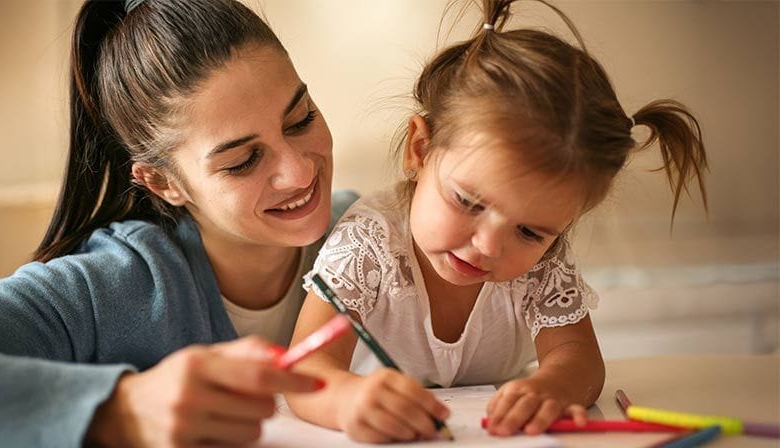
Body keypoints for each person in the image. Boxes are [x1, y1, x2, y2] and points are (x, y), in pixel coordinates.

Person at [0, 0, 359, 446]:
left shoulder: (374, 232)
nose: (299, 171)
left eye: (300, 119)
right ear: (161, 182)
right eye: (242, 161)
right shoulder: (104, 289)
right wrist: (120, 409)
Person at [284, 0, 708, 443]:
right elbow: (304, 369)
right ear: (420, 151)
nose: (488, 245)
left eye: (529, 231)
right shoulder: (368, 242)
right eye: (468, 201)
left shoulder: (543, 263)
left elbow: (578, 359)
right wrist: (350, 400)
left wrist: (552, 387)